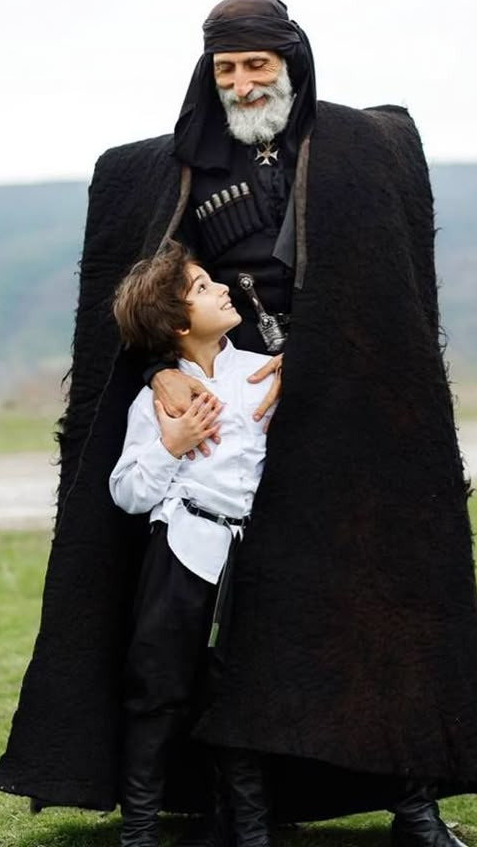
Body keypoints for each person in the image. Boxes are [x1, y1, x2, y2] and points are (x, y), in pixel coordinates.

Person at [0, 0, 477, 847]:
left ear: (290, 61)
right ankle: (245, 817)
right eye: (226, 67)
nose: (241, 81)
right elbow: (145, 301)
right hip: (229, 407)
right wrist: (162, 371)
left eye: (255, 63)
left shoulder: (361, 150)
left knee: (383, 600)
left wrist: (327, 363)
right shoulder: (171, 168)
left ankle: (414, 807)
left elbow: (394, 293)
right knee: (234, 630)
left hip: (345, 408)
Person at [108, 240, 275, 847]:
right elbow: (126, 492)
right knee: (158, 692)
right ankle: (140, 834)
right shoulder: (157, 401)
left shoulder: (261, 373)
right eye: (203, 287)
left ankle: (249, 833)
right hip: (179, 555)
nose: (223, 288)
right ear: (179, 324)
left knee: (239, 693)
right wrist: (170, 444)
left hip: (249, 562)